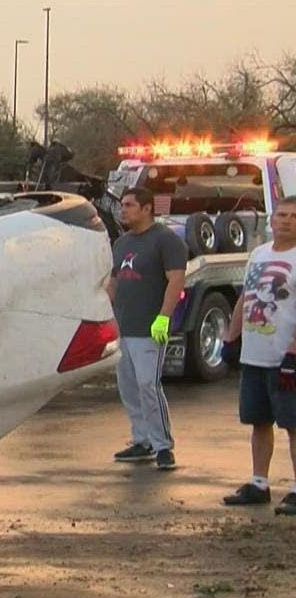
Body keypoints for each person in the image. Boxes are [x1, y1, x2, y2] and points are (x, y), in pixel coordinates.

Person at [222, 197, 296, 513]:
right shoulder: (259, 254)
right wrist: (231, 337)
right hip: (254, 355)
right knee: (259, 421)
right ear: (272, 219)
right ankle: (259, 483)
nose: (287, 220)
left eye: (294, 216)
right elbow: (246, 297)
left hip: (286, 357)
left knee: (293, 424)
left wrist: (293, 352)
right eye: (282, 215)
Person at [106, 186, 187, 470]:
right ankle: (142, 440)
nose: (123, 210)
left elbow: (176, 279)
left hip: (149, 328)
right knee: (128, 387)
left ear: (147, 208)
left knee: (147, 385)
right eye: (122, 205)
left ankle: (163, 445)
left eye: (129, 205)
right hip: (123, 327)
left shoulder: (165, 240)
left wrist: (163, 317)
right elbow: (114, 282)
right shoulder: (121, 243)